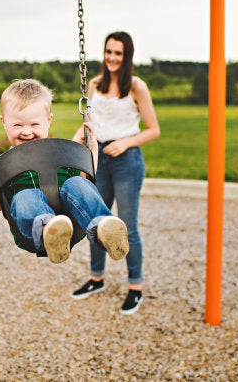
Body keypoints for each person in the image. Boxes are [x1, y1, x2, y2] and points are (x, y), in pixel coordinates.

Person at [0, 78, 129, 264]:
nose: (26, 131)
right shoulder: (4, 164)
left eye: (34, 125)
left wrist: (91, 150)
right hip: (31, 233)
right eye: (17, 125)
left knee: (76, 183)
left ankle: (102, 226)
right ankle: (49, 232)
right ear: (4, 122)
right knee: (25, 196)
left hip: (72, 220)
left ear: (48, 121)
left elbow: (86, 180)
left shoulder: (62, 157)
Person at [71, 31, 160, 315]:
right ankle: (96, 278)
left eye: (118, 53)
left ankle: (135, 287)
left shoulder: (136, 86)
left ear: (127, 56)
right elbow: (88, 125)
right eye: (109, 51)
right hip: (99, 160)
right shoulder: (95, 84)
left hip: (127, 161)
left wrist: (124, 143)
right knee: (95, 221)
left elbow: (153, 130)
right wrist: (70, 150)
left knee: (126, 226)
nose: (112, 57)